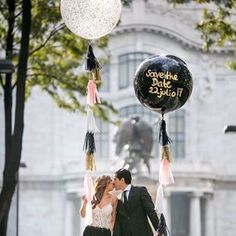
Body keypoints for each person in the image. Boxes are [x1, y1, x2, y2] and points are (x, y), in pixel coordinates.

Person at [113, 168, 160, 236]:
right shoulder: (117, 198)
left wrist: (159, 229)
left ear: (122, 180)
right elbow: (118, 221)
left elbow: (150, 211)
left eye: (115, 179)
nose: (113, 182)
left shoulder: (140, 191)